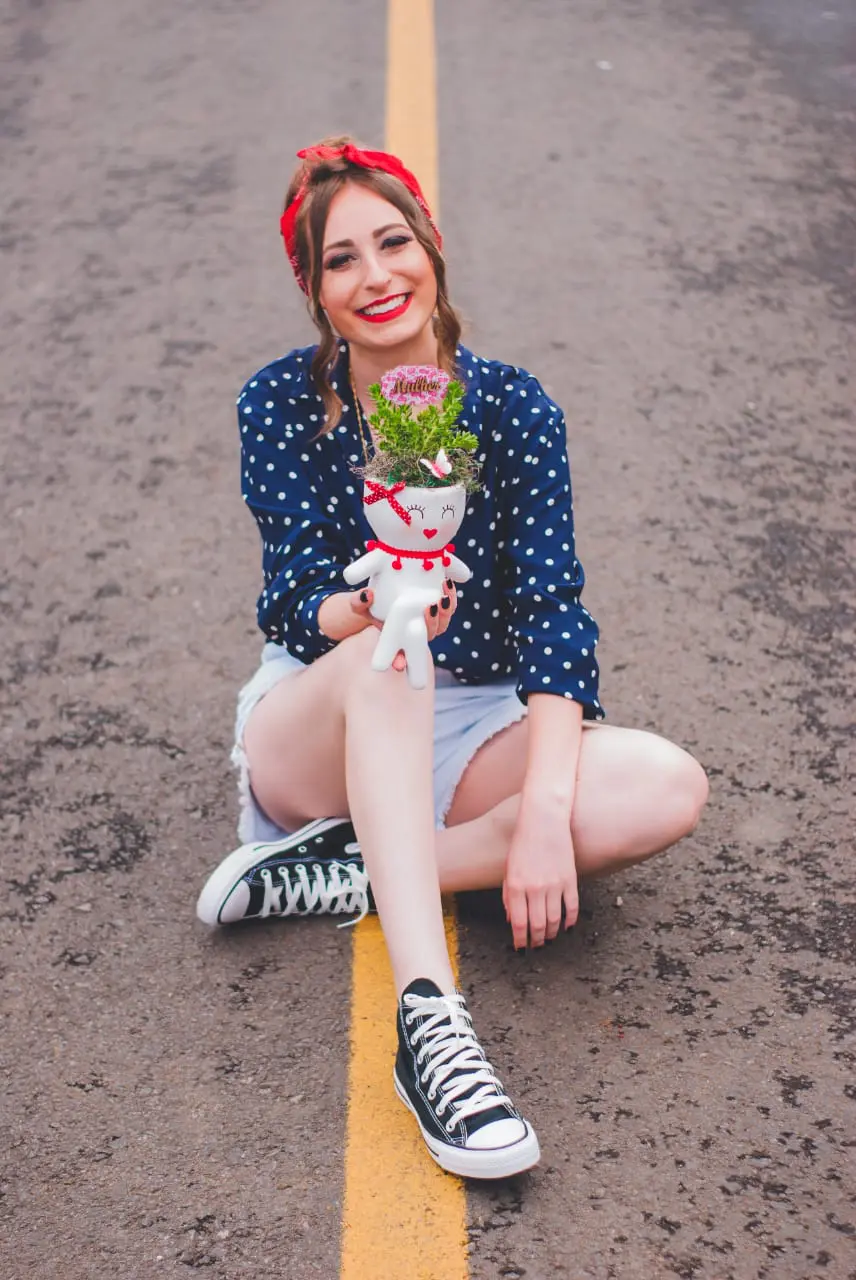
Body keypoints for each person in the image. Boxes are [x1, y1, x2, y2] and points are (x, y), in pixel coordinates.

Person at [196, 138, 709, 1180]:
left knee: (661, 785)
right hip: (324, 714)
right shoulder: (280, 401)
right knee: (393, 656)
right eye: (341, 259)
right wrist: (370, 600)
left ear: (432, 248)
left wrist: (544, 821)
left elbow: (555, 615)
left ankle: (358, 871)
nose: (376, 275)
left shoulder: (514, 407)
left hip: (469, 727)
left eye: (393, 242)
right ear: (314, 288)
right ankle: (430, 1024)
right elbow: (291, 598)